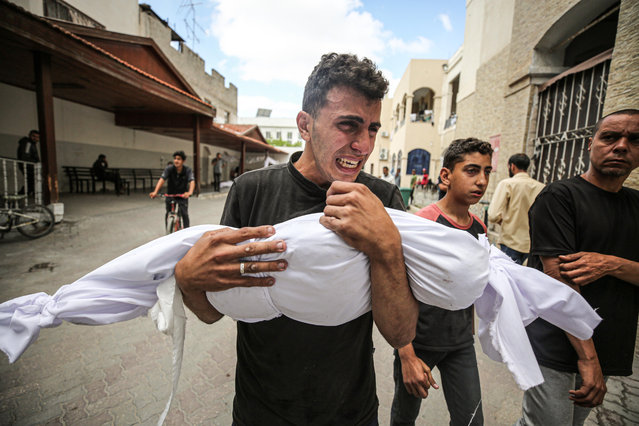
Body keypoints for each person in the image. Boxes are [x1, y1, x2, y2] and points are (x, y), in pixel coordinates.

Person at [173, 53, 418, 425]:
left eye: (372, 129)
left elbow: (399, 331)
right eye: (349, 126)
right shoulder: (250, 191)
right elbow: (212, 312)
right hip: (262, 410)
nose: (364, 145)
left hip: (350, 412)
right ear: (305, 125)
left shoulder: (382, 200)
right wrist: (189, 284)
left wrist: (386, 247)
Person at [518, 109, 639, 426]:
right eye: (610, 137)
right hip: (557, 345)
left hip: (609, 343)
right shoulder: (561, 196)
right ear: (591, 143)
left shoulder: (635, 205)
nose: (621, 146)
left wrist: (610, 264)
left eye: (634, 139)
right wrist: (588, 358)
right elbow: (561, 283)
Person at [391, 138, 493, 426]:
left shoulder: (479, 227)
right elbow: (396, 289)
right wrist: (406, 354)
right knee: (404, 417)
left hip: (460, 343)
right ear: (446, 176)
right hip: (418, 342)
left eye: (487, 172)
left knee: (471, 420)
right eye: (472, 171)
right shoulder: (422, 224)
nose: (481, 181)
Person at [487, 153, 544, 264]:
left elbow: (493, 215)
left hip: (510, 242)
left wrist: (504, 222)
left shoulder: (507, 184)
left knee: (508, 278)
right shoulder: (541, 187)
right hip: (531, 245)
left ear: (512, 166)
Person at [149, 151, 195, 228]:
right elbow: (162, 179)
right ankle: (168, 230)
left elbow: (192, 181)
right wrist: (155, 192)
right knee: (168, 212)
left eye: (179, 159)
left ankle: (187, 231)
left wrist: (190, 192)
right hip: (170, 194)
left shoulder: (187, 170)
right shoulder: (169, 169)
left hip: (182, 195)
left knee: (184, 214)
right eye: (175, 159)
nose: (176, 161)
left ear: (183, 161)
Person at [16, 130, 40, 195]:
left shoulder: (32, 144)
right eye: (33, 136)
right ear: (29, 135)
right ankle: (19, 197)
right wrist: (36, 163)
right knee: (30, 184)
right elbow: (25, 156)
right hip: (28, 167)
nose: (35, 138)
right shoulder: (28, 143)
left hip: (30, 166)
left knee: (31, 184)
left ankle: (20, 197)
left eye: (37, 137)